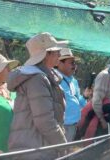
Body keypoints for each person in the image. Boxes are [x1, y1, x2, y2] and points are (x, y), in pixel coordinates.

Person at [7, 32, 68, 160]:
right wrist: (63, 145)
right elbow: (45, 121)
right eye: (56, 51)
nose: (60, 54)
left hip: (36, 149)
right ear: (46, 54)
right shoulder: (37, 79)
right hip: (36, 151)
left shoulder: (42, 76)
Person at [56, 48, 86, 142]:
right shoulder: (55, 79)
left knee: (66, 152)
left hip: (73, 125)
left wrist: (85, 96)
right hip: (60, 126)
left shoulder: (74, 81)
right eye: (71, 63)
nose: (74, 66)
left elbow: (79, 101)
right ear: (60, 63)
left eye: (75, 63)